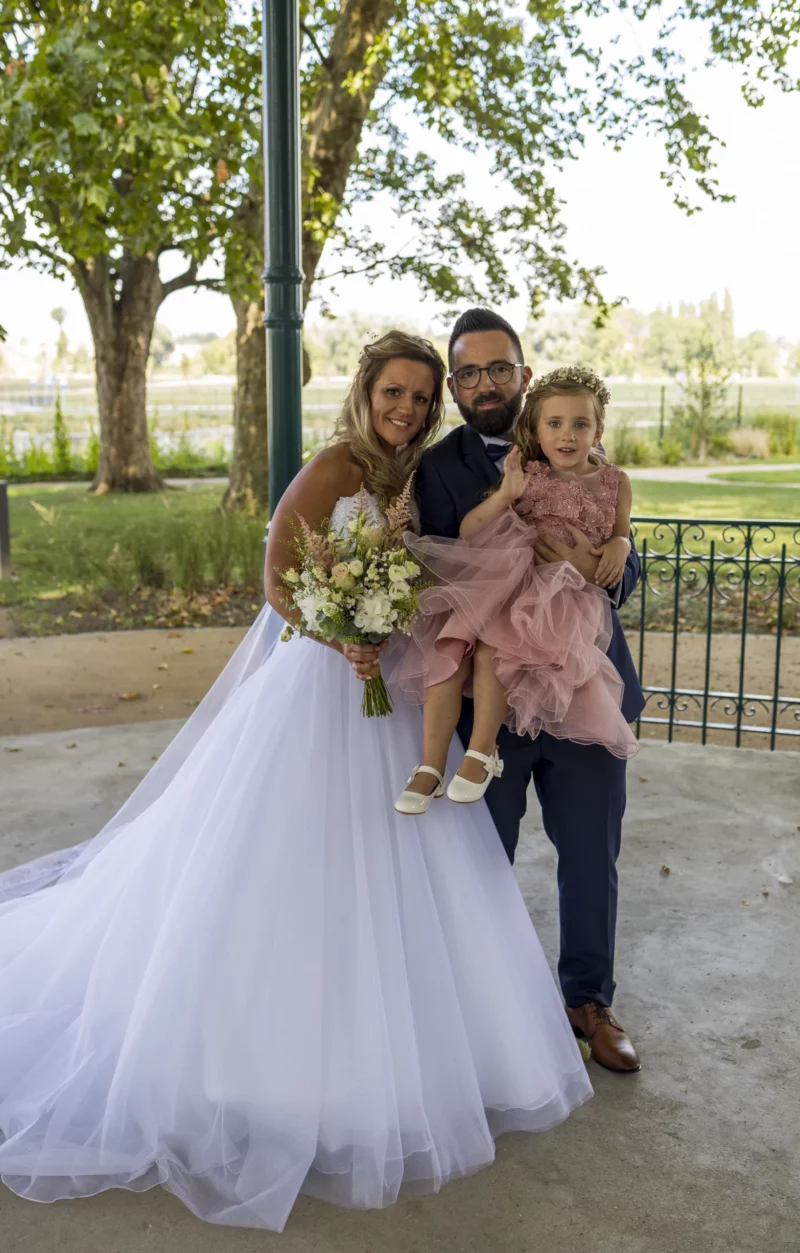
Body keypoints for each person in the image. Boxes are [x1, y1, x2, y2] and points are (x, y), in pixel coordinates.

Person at [0, 331, 592, 1234]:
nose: (409, 409)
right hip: (317, 679)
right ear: (367, 391)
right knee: (284, 861)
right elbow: (276, 575)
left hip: (390, 687)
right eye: (398, 393)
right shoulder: (335, 465)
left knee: (409, 843)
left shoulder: (416, 476)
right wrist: (338, 631)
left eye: (422, 399)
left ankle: (424, 1053)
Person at [412, 308, 645, 1075]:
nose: (486, 383)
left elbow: (624, 561)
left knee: (591, 855)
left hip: (584, 686)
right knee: (484, 859)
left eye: (499, 368)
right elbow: (436, 575)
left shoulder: (578, 443)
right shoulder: (438, 466)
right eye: (470, 372)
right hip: (493, 705)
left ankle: (589, 1000)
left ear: (524, 372)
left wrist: (602, 554)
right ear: (455, 385)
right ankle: (483, 1007)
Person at [390, 364, 639, 816]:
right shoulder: (526, 473)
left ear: (598, 428)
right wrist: (505, 494)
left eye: (581, 424)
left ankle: (481, 754)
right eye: (556, 424)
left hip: (560, 599)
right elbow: (468, 531)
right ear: (537, 430)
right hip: (506, 575)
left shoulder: (616, 481)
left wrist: (618, 547)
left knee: (491, 654)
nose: (568, 435)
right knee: (449, 647)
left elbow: (622, 534)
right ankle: (429, 765)